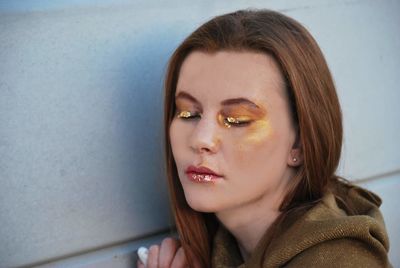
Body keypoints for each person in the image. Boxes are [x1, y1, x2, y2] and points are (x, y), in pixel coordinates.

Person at [137, 9, 391, 268]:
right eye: (188, 113)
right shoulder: (219, 247)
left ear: (301, 143)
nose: (201, 139)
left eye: (236, 119)